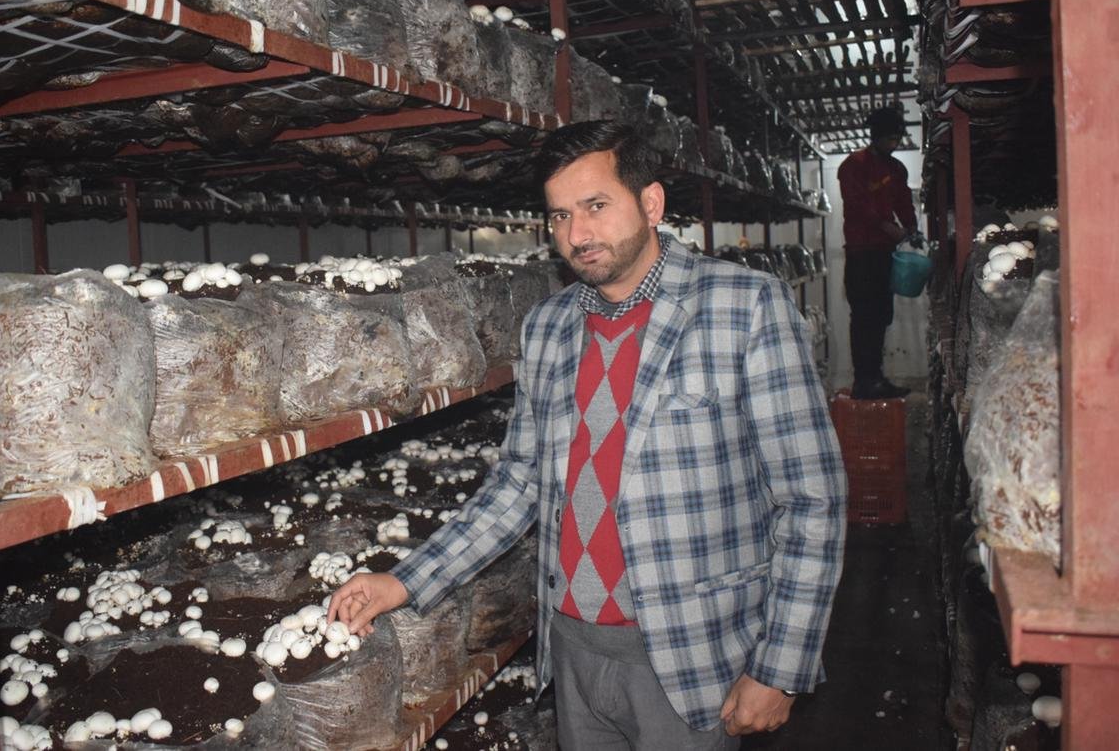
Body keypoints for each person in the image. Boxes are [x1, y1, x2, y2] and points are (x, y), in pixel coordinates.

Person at [328, 121, 847, 749]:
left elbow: (811, 498)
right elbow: (518, 484)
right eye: (560, 216)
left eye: (596, 206)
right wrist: (405, 580)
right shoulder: (549, 325)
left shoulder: (745, 305)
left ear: (650, 203)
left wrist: (780, 667)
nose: (576, 235)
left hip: (689, 654)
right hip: (572, 649)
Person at [839, 107, 920, 400]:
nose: (894, 144)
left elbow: (904, 201)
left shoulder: (896, 169)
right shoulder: (853, 165)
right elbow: (858, 205)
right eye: (889, 139)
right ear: (875, 136)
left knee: (882, 315)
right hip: (861, 254)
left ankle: (876, 377)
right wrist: (888, 227)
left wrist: (911, 227)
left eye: (897, 139)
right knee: (864, 316)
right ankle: (864, 381)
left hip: (886, 253)